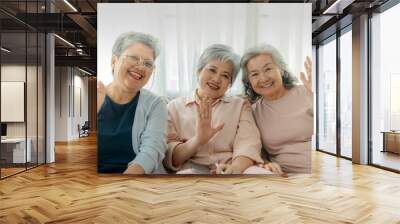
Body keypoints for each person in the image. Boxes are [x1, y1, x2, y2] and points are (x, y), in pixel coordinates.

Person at [165, 44, 270, 175]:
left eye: (225, 76)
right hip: (191, 170)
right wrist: (198, 139)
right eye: (212, 70)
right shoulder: (173, 107)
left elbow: (248, 144)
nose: (216, 79)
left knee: (262, 175)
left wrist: (235, 169)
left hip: (231, 167)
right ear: (199, 71)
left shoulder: (240, 106)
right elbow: (171, 157)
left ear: (230, 84)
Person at [97, 31, 167, 174]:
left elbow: (152, 151)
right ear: (114, 61)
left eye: (148, 63)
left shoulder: (156, 104)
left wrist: (125, 185)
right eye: (134, 58)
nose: (141, 67)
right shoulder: (96, 95)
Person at [241, 44, 313, 173]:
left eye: (268, 69)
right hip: (283, 177)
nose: (263, 78)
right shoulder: (252, 112)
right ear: (249, 81)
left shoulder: (306, 92)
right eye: (254, 74)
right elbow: (257, 151)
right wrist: (266, 164)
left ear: (281, 69)